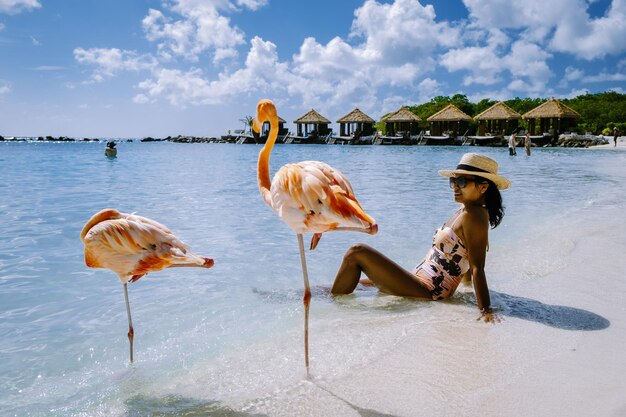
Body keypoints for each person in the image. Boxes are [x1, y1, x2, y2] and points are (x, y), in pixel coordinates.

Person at [331, 153, 510, 322]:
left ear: (483, 187)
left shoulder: (475, 215)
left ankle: (332, 310)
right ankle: (323, 299)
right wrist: (466, 286)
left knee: (356, 252)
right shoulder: (466, 210)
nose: (455, 186)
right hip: (417, 279)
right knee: (357, 284)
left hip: (428, 290)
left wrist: (485, 310)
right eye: (453, 180)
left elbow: (477, 266)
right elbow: (466, 255)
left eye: (462, 181)